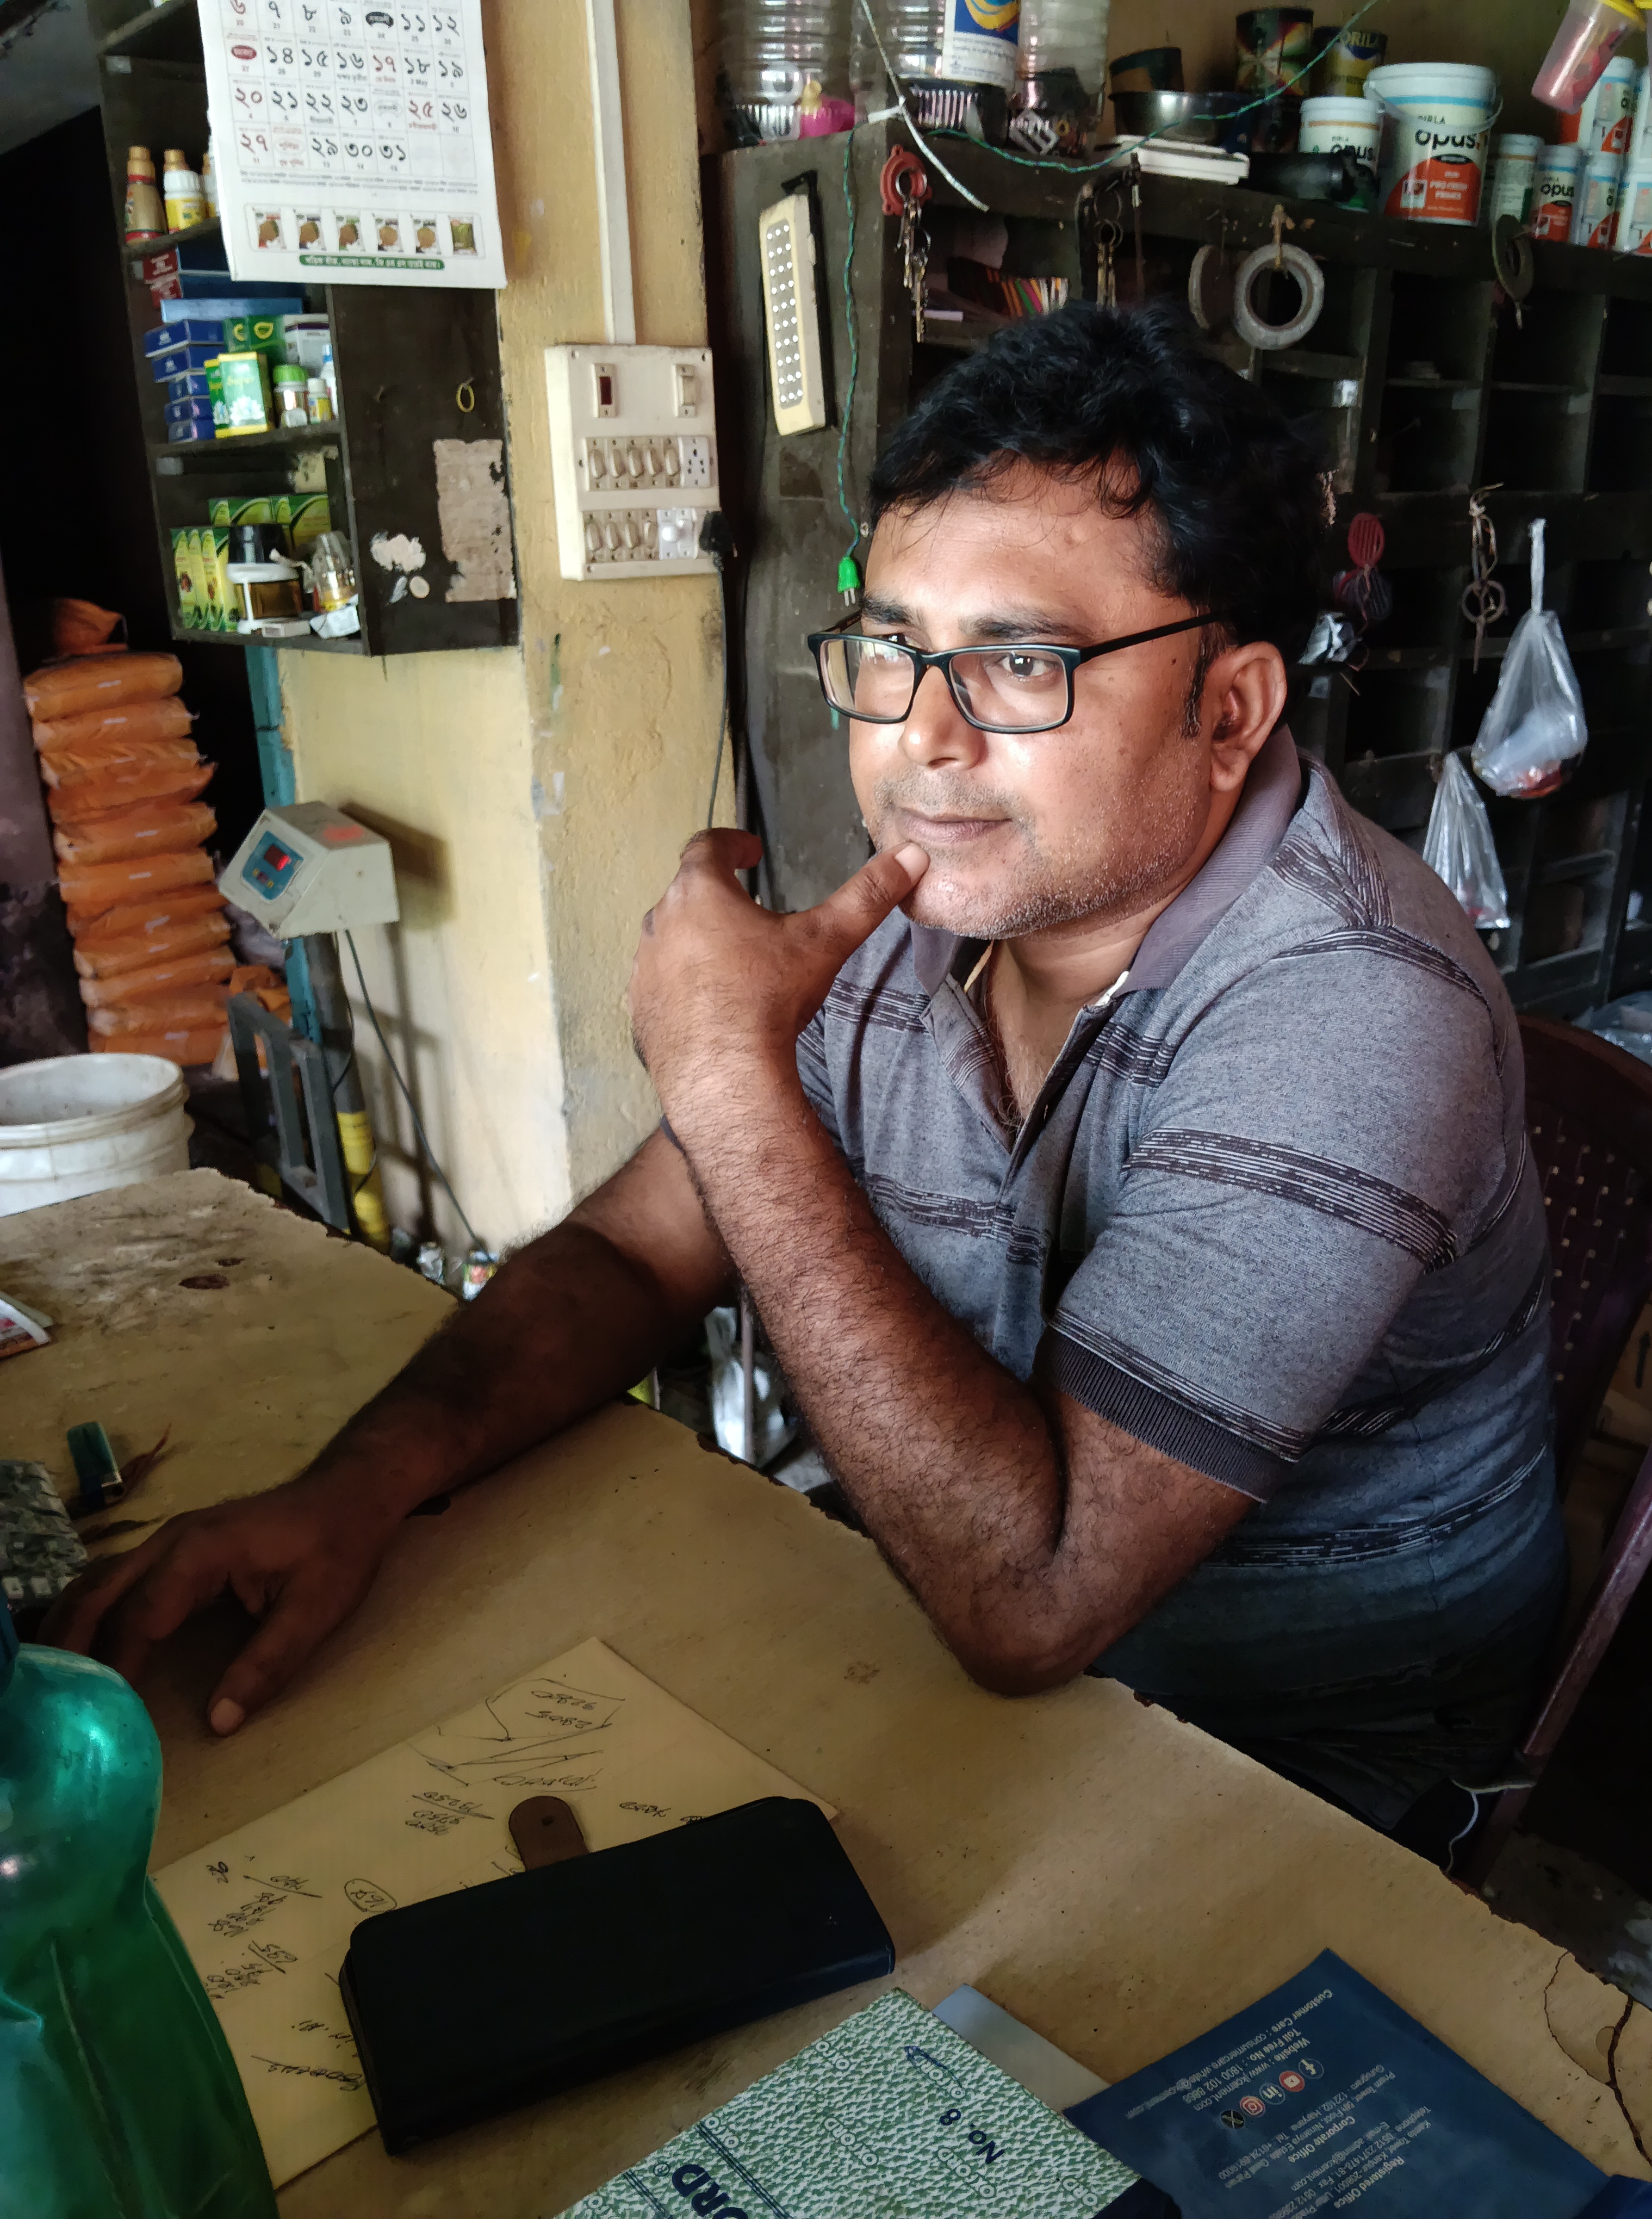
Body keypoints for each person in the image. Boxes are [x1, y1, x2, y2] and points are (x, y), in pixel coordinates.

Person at [45, 303, 1564, 1849]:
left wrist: (728, 1073)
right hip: (950, 1634)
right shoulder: (939, 907)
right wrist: (362, 1488)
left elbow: (1036, 1599)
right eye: (893, 650)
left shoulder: (1356, 1007)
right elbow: (641, 1249)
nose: (921, 741)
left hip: (1298, 1764)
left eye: (1021, 663)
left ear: (1229, 711)